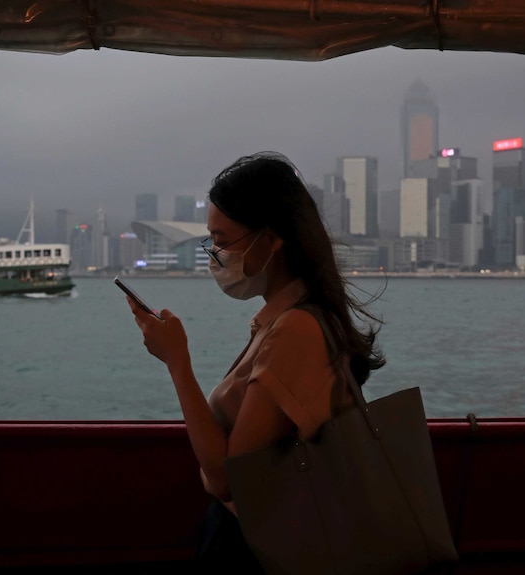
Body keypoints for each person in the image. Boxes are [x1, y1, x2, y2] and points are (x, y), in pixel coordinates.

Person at [125, 152, 385, 572]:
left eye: (224, 240)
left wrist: (177, 361)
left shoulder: (295, 330)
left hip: (258, 550)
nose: (215, 254)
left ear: (272, 237)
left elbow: (232, 479)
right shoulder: (288, 319)